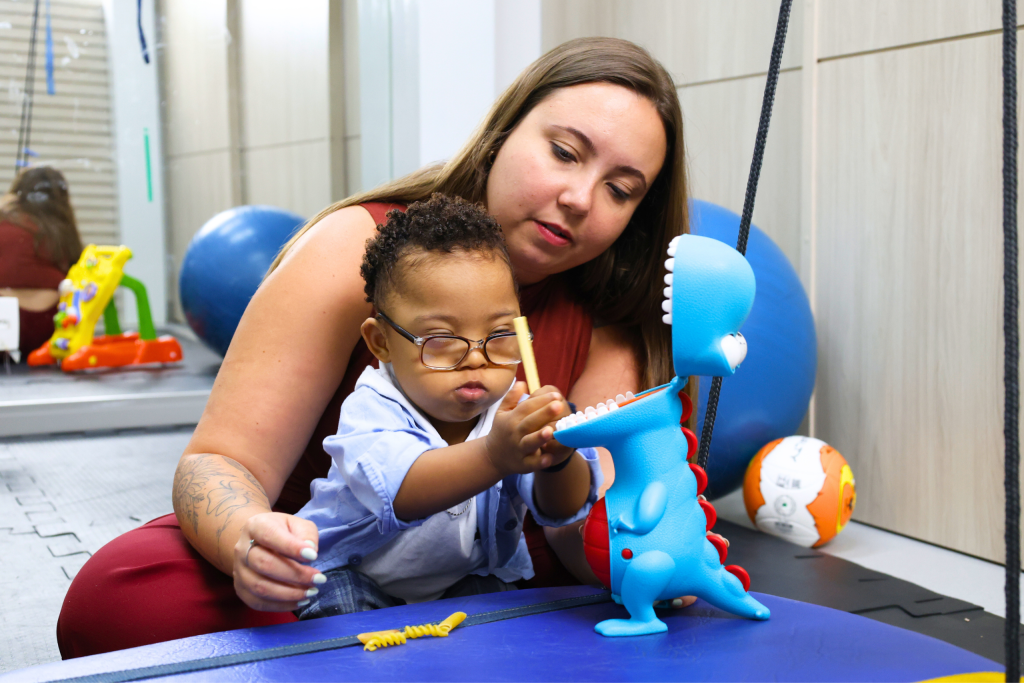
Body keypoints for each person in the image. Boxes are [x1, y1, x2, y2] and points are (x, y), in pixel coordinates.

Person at [56, 36, 701, 657]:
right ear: (502, 134)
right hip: (315, 569)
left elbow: (579, 530)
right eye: (563, 152)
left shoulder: (610, 323)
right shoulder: (359, 249)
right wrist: (248, 542)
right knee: (123, 597)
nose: (579, 199)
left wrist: (643, 552)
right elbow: (220, 461)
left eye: (620, 190)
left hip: (484, 581)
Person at [293, 194, 600, 618]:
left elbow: (561, 510)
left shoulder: (511, 411)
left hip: (456, 580)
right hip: (350, 572)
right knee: (346, 620)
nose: (476, 359)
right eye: (441, 340)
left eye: (499, 336)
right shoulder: (372, 406)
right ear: (381, 342)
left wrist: (558, 458)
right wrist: (495, 455)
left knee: (499, 609)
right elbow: (402, 493)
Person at [0, 167, 82, 360]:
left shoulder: (6, 225)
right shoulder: (63, 231)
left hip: (5, 322)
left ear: (16, 196)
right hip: (52, 325)